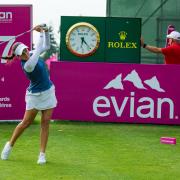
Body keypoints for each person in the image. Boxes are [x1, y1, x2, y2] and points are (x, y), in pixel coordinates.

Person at [0, 25, 57, 164]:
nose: (26, 52)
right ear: (18, 56)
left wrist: (46, 31)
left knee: (45, 122)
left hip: (48, 92)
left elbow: (46, 46)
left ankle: (42, 155)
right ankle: (9, 145)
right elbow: (38, 49)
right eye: (23, 52)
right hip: (35, 96)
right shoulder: (28, 65)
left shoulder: (30, 53)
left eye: (25, 49)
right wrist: (41, 32)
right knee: (26, 122)